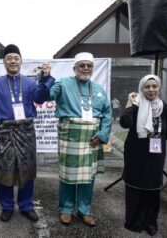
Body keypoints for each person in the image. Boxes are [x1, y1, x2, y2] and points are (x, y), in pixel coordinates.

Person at [0, 44, 55, 222]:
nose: (13, 61)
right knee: (5, 169)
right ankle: (7, 206)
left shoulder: (30, 82)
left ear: (20, 61)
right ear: (4, 62)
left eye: (16, 58)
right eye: (9, 58)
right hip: (5, 131)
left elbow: (42, 98)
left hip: (26, 130)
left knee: (27, 169)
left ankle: (26, 205)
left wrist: (46, 78)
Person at [49, 52, 112, 226]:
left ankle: (84, 210)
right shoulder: (63, 83)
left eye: (89, 65)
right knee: (68, 175)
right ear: (74, 68)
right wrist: (45, 78)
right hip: (71, 136)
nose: (85, 68)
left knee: (88, 177)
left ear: (92, 68)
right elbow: (49, 94)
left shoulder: (99, 89)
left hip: (93, 138)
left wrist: (103, 134)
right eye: (82, 65)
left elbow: (107, 113)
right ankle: (66, 209)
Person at [119, 74, 167, 236]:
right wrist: (129, 103)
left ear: (159, 88)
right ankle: (133, 221)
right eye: (147, 86)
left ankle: (150, 223)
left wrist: (155, 139)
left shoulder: (164, 107)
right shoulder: (136, 106)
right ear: (141, 89)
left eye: (154, 86)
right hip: (135, 154)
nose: (151, 90)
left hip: (155, 155)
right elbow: (125, 123)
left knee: (152, 189)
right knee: (134, 187)